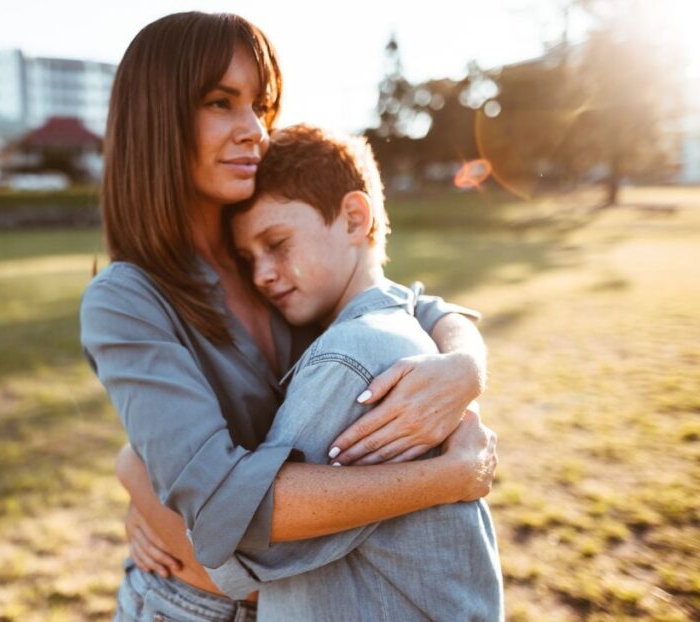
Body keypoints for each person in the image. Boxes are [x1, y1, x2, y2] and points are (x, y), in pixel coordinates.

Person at [79, 12, 495, 622]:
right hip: (194, 604)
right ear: (156, 119)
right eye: (222, 102)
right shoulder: (126, 300)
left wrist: (465, 362)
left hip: (311, 597)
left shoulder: (264, 244)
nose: (254, 131)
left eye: (259, 105)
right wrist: (452, 477)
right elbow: (221, 500)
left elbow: (407, 302)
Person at [197, 123, 503, 620]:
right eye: (248, 259)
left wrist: (135, 479)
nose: (262, 274)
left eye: (276, 243)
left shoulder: (349, 359)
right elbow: (420, 300)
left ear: (354, 219)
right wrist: (468, 357)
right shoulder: (398, 327)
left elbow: (244, 541)